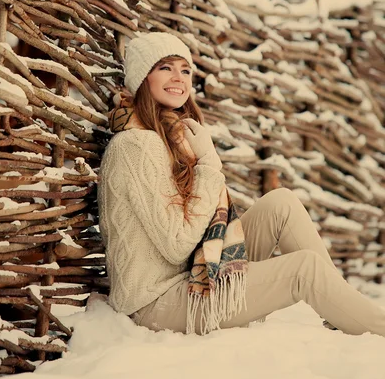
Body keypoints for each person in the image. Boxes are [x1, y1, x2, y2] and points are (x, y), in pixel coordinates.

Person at [98, 31, 385, 337]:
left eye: (185, 70)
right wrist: (208, 164)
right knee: (304, 269)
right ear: (143, 77)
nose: (178, 78)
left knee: (282, 204)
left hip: (193, 275)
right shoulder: (135, 146)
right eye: (165, 67)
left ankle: (346, 312)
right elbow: (178, 245)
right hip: (156, 304)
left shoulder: (169, 137)